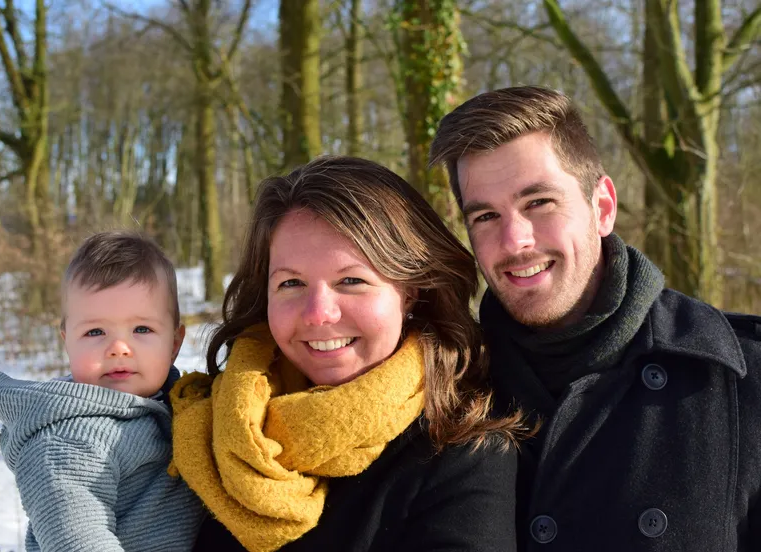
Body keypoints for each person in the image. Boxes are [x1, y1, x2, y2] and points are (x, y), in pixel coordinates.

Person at [428, 85, 761, 551]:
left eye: (538, 202)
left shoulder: (741, 379)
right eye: (485, 216)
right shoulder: (447, 391)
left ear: (602, 207)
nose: (515, 239)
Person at [168, 156, 527, 552]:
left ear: (411, 290)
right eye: (290, 283)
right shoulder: (206, 426)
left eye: (351, 280)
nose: (318, 314)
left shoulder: (465, 453)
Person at [0, 231, 205, 551]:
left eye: (141, 329)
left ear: (174, 343)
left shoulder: (185, 405)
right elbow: (78, 540)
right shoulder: (66, 441)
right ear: (67, 343)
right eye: (95, 331)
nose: (118, 347)